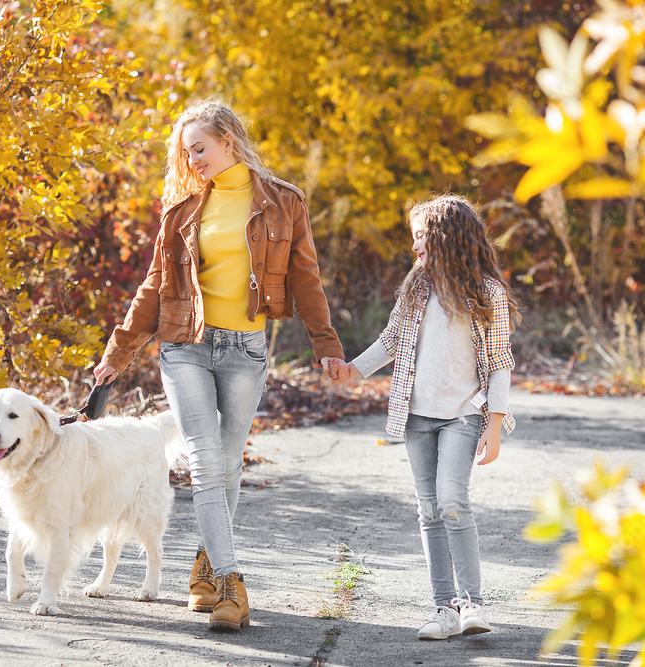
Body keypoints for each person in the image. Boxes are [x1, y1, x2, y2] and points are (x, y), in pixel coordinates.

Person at [93, 98, 344, 631]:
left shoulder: (285, 203)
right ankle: (232, 584)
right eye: (187, 153)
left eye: (200, 149)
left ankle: (205, 568)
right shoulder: (183, 211)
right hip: (185, 344)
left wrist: (326, 343)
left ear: (229, 139)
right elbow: (155, 286)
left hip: (246, 351)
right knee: (206, 463)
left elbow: (306, 279)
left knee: (227, 466)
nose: (193, 161)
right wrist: (119, 351)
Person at [331, 194, 520, 640]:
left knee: (453, 500)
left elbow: (499, 362)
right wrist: (352, 370)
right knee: (430, 508)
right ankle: (444, 609)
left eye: (420, 236)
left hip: (462, 415)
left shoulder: (486, 292)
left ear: (446, 236)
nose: (414, 248)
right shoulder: (416, 290)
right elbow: (392, 339)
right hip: (416, 417)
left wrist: (494, 424)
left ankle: (472, 602)